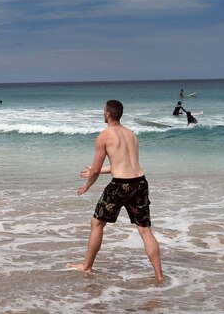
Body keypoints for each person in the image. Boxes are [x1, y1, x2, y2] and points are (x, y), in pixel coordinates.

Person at [68, 100, 163, 281]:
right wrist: (98, 171)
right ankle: (159, 276)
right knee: (145, 231)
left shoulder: (104, 136)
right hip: (140, 183)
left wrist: (88, 184)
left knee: (96, 224)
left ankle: (86, 267)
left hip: (119, 185)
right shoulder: (132, 135)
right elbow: (121, 164)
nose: (103, 114)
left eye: (104, 111)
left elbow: (97, 169)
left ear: (108, 114)